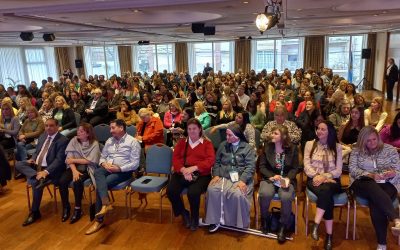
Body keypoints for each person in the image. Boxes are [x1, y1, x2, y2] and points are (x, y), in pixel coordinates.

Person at [85, 119, 141, 235]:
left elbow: (135, 164)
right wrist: (103, 163)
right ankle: (106, 204)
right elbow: (103, 157)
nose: (110, 131)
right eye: (110, 128)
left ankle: (98, 220)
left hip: (123, 171)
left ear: (121, 128)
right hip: (108, 168)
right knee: (98, 172)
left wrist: (119, 168)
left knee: (102, 184)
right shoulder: (109, 141)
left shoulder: (132, 142)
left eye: (113, 128)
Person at [349, 126, 400, 249]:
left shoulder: (390, 150)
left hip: (387, 183)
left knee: (376, 200)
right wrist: (370, 175)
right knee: (371, 186)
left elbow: (398, 169)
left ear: (378, 137)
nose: (372, 143)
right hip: (363, 182)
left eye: (374, 139)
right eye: (368, 141)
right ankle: (396, 219)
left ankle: (382, 245)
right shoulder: (356, 151)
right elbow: (353, 169)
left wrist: (393, 173)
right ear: (362, 141)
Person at [16, 118, 69, 226]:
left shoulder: (62, 140)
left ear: (57, 127)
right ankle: (38, 177)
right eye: (46, 126)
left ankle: (35, 212)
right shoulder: (43, 136)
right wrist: (33, 158)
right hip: (36, 166)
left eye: (51, 125)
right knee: (18, 164)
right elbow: (37, 152)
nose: (48, 128)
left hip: (50, 169)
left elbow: (59, 161)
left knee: (35, 184)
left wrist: (45, 172)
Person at [205, 124, 256, 233]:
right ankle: (214, 220)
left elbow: (250, 166)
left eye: (229, 135)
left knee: (238, 194)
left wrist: (242, 180)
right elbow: (217, 162)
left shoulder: (247, 148)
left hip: (241, 178)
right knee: (212, 190)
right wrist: (216, 175)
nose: (226, 137)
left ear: (237, 136)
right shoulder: (223, 145)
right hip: (223, 176)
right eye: (226, 135)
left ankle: (237, 222)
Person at [166, 118, 215, 231]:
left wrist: (194, 168)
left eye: (194, 128)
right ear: (186, 130)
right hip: (183, 172)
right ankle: (184, 213)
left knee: (193, 192)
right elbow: (176, 159)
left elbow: (210, 160)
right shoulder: (182, 142)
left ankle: (194, 218)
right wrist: (183, 170)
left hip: (201, 174)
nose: (192, 131)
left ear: (200, 129)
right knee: (171, 191)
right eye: (189, 129)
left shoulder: (207, 143)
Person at [303, 121, 342, 250]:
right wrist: (317, 176)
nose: (319, 131)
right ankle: (329, 236)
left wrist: (325, 177)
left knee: (326, 190)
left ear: (329, 132)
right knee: (326, 195)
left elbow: (338, 171)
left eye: (323, 129)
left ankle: (316, 224)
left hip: (332, 181)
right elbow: (306, 165)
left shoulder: (337, 147)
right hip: (314, 179)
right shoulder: (310, 144)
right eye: (318, 128)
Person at [258, 124, 298, 243]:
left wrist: (288, 179)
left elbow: (295, 168)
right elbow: (262, 166)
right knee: (265, 193)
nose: (272, 135)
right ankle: (265, 219)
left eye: (275, 133)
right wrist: (271, 176)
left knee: (285, 196)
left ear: (284, 136)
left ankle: (283, 225)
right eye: (272, 133)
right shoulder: (267, 147)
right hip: (270, 178)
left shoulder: (293, 149)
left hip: (285, 179)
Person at [58, 123, 101, 224]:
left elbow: (90, 161)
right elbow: (69, 159)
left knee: (77, 182)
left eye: (81, 131)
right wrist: (74, 171)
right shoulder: (74, 140)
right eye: (78, 130)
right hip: (74, 167)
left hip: (88, 168)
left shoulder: (94, 143)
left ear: (88, 133)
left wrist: (74, 160)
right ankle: (66, 207)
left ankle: (78, 209)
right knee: (62, 181)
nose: (78, 132)